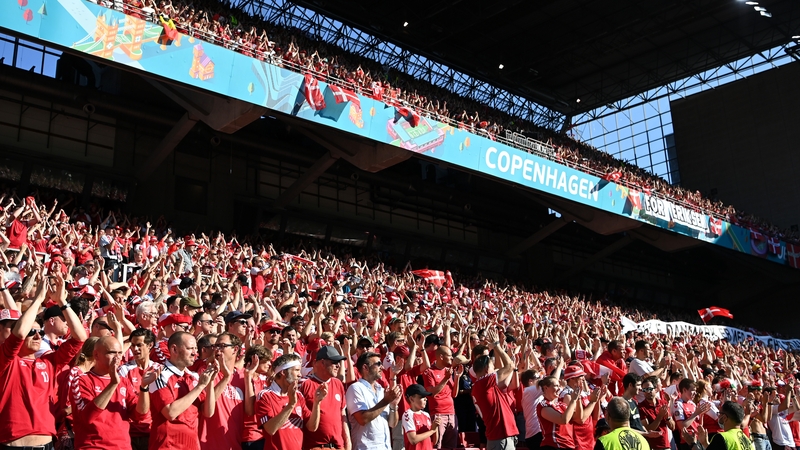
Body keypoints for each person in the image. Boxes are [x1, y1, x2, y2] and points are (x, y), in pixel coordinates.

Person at [0, 275, 87, 449]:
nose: (38, 336)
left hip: (47, 444)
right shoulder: (5, 360)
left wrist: (62, 301)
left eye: (39, 331)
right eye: (32, 332)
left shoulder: (49, 362)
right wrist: (39, 299)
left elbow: (80, 337)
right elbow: (19, 334)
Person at [70, 336, 154, 449]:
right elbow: (88, 417)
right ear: (96, 355)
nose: (118, 357)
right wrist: (113, 384)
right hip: (93, 446)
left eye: (120, 353)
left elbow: (140, 415)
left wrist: (144, 388)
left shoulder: (123, 381)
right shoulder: (81, 380)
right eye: (112, 353)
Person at [148, 331, 219, 450]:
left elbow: (208, 412)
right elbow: (170, 413)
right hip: (167, 446)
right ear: (174, 349)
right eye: (190, 348)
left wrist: (210, 381)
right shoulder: (159, 375)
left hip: (192, 445)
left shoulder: (193, 376)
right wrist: (200, 386)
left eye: (195, 349)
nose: (195, 354)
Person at [255, 353, 329, 450]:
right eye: (297, 370)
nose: (300, 374)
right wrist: (291, 404)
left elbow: (312, 427)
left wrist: (317, 403)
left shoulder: (298, 395)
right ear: (283, 372)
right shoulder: (265, 395)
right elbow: (270, 429)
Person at [470, 330, 520, 450]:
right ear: (487, 370)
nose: (496, 370)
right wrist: (497, 346)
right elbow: (509, 366)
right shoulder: (483, 383)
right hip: (500, 437)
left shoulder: (483, 385)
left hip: (501, 436)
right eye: (493, 368)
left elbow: (507, 381)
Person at [199, 332, 246, 450]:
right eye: (216, 346)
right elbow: (205, 408)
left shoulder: (243, 377)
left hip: (235, 444)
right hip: (208, 444)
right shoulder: (207, 372)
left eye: (222, 346)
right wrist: (225, 378)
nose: (217, 349)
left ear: (235, 349)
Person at [299, 345, 351, 450]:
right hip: (315, 446)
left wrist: (348, 443)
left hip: (338, 446)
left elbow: (342, 415)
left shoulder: (338, 383)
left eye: (339, 363)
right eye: (334, 362)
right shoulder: (305, 384)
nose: (338, 366)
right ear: (322, 363)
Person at [346, 351, 401, 450]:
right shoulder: (355, 388)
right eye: (378, 364)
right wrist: (386, 401)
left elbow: (392, 424)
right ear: (365, 367)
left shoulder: (381, 389)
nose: (382, 367)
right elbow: (362, 419)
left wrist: (393, 405)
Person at [118, 328, 159, 450]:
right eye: (133, 345)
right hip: (131, 432)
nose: (135, 349)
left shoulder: (159, 370)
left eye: (139, 345)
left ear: (150, 345)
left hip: (153, 431)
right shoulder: (124, 370)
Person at [560, 364, 604, 450]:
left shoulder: (582, 392)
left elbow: (594, 416)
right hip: (578, 439)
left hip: (589, 438)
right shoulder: (567, 395)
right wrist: (593, 402)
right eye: (580, 377)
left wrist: (597, 400)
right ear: (572, 378)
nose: (583, 379)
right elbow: (580, 419)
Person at [423, 345, 458, 449]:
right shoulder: (429, 372)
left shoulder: (448, 371)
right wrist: (446, 378)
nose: (452, 358)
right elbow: (432, 392)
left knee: (451, 446)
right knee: (437, 445)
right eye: (449, 356)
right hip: (438, 414)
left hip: (451, 413)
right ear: (441, 357)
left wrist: (457, 378)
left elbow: (454, 394)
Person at [680, 401, 754, 450]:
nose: (718, 416)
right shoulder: (747, 440)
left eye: (719, 413)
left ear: (724, 417)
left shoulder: (722, 437)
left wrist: (692, 444)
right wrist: (705, 443)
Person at [538, 375, 579, 450]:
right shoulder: (543, 405)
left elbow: (578, 418)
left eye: (559, 386)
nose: (559, 388)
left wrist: (579, 399)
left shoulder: (561, 404)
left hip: (568, 445)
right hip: (553, 445)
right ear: (546, 388)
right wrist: (573, 400)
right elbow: (563, 420)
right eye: (556, 386)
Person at [673, 379, 711, 450]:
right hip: (687, 442)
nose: (695, 393)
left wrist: (701, 414)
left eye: (696, 391)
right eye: (693, 390)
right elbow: (682, 426)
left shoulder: (692, 404)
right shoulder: (678, 404)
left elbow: (699, 425)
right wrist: (696, 413)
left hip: (698, 440)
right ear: (684, 390)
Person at [638, 376, 674, 450]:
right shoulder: (641, 407)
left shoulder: (662, 403)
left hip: (665, 444)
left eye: (650, 389)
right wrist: (660, 416)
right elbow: (647, 430)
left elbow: (672, 427)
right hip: (652, 447)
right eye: (645, 390)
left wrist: (667, 417)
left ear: (655, 389)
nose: (648, 392)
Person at [401, 384, 440, 450]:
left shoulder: (426, 415)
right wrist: (432, 430)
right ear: (411, 399)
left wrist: (435, 427)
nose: (426, 399)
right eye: (422, 396)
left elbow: (434, 442)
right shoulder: (407, 414)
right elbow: (413, 440)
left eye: (425, 396)